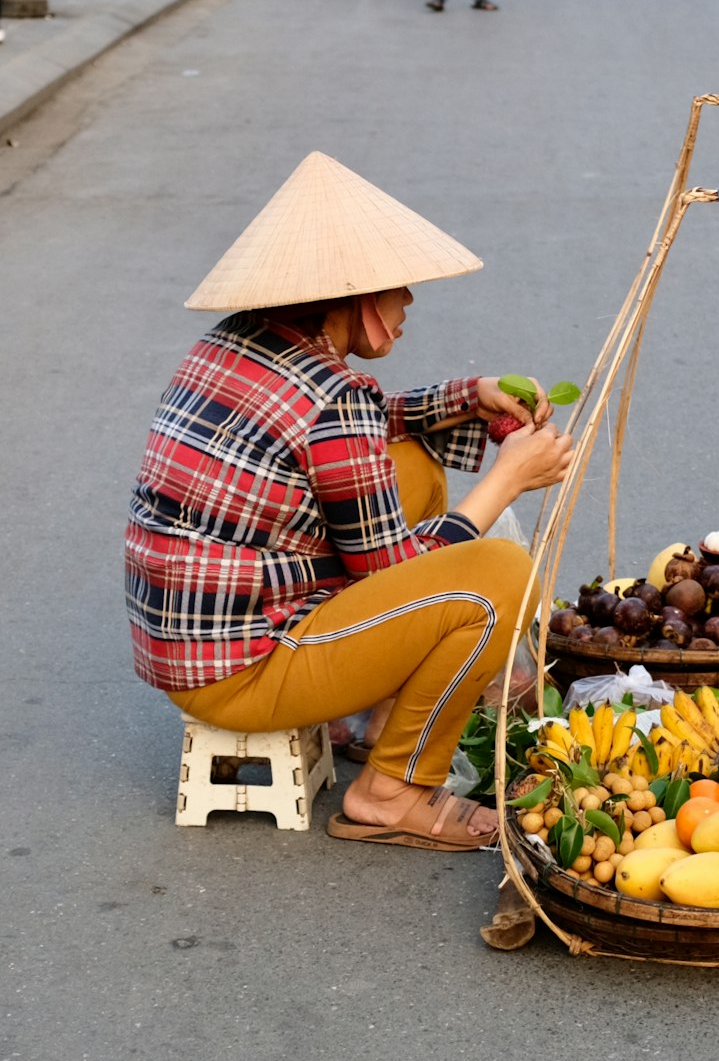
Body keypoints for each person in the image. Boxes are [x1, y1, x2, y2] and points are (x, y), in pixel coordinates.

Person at [125, 151, 573, 851]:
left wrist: (466, 394)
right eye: (398, 287)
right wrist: (506, 481)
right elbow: (394, 570)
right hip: (242, 670)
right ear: (357, 295)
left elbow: (355, 437)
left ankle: (382, 709)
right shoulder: (337, 400)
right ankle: (391, 793)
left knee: (413, 466)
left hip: (192, 645)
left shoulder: (239, 341)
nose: (409, 303)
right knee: (500, 576)